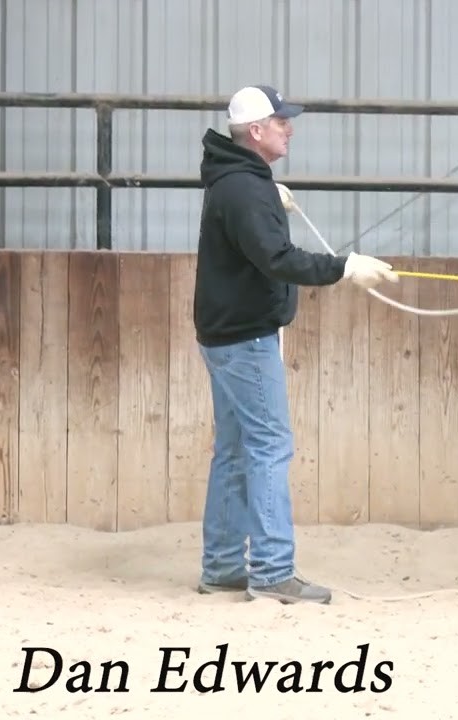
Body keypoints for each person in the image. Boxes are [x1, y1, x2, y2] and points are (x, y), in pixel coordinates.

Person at [192, 84, 397, 604]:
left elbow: (262, 243)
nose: (290, 128)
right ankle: (272, 570)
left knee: (237, 449)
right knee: (268, 446)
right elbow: (278, 259)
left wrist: (266, 196)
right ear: (256, 131)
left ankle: (221, 566)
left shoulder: (236, 182)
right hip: (246, 337)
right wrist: (344, 266)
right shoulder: (244, 189)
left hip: (226, 334)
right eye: (281, 121)